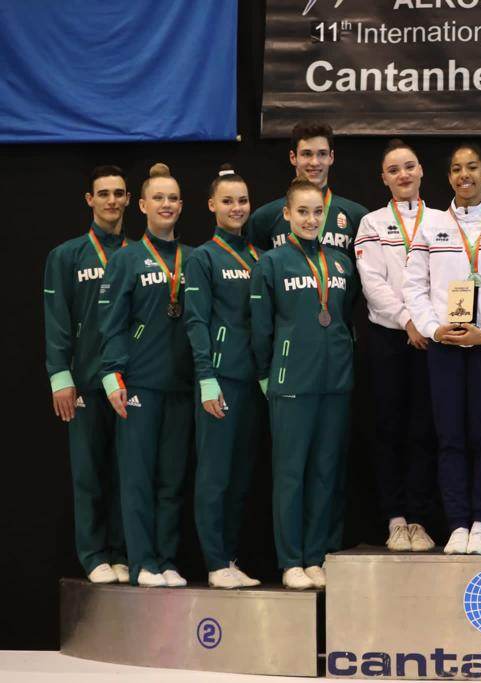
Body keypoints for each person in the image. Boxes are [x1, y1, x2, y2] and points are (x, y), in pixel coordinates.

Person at [403, 142, 481, 555]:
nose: (464, 176)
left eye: (472, 167)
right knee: (451, 437)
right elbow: (414, 286)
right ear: (449, 177)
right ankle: (457, 523)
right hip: (445, 346)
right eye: (456, 169)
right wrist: (433, 329)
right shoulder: (432, 225)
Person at [250, 179, 358, 589]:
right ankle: (290, 559)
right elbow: (261, 330)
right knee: (291, 474)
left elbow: (345, 315)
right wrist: (267, 375)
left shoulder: (342, 263)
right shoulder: (272, 263)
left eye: (317, 213)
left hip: (336, 382)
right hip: (290, 381)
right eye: (303, 212)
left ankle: (318, 556)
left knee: (326, 472)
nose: (311, 219)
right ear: (287, 215)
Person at [99, 163, 194, 587]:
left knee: (172, 479)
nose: (167, 204)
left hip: (181, 382)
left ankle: (167, 558)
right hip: (138, 382)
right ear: (142, 205)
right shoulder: (126, 258)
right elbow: (112, 321)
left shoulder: (194, 258)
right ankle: (141, 563)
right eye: (158, 198)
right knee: (137, 477)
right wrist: (112, 374)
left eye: (173, 198)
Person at [44, 165, 131, 584]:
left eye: (118, 193)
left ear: (130, 200)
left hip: (131, 382)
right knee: (89, 472)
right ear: (89, 199)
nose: (112, 200)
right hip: (85, 381)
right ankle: (93, 553)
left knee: (125, 471)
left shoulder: (136, 254)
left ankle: (120, 551)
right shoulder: (67, 255)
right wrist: (60, 376)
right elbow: (57, 319)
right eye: (104, 193)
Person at [354, 139, 438, 552]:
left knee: (423, 429)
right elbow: (373, 283)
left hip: (430, 337)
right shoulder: (370, 223)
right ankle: (395, 517)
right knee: (388, 428)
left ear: (421, 170)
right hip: (388, 336)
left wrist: (424, 322)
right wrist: (407, 320)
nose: (403, 175)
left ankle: (419, 518)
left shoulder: (441, 220)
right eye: (394, 170)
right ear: (383, 178)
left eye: (409, 166)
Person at [184, 165, 263, 589]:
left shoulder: (258, 257)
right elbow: (195, 322)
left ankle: (229, 559)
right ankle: (214, 563)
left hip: (253, 381)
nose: (237, 208)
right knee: (215, 474)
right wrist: (206, 378)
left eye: (243, 200)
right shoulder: (203, 257)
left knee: (240, 474)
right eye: (228, 201)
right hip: (220, 380)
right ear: (212, 205)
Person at [248, 121, 367, 257]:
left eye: (322, 154)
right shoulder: (264, 217)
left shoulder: (357, 216)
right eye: (306, 154)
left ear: (331, 157)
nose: (315, 162)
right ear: (293, 157)